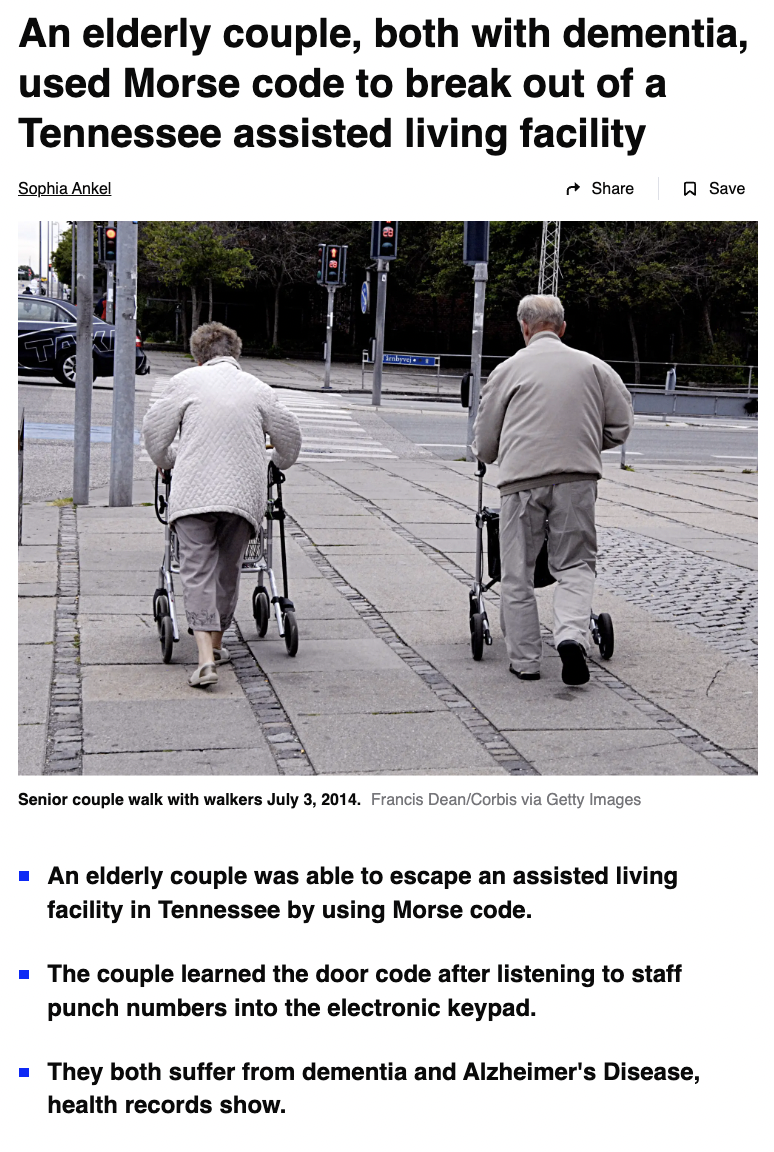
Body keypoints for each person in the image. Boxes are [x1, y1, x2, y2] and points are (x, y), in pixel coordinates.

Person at [471, 294, 633, 686]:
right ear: (562, 328)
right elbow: (621, 423)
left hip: (521, 483)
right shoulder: (594, 367)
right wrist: (584, 443)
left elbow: (486, 443)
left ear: (524, 328)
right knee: (576, 565)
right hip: (578, 479)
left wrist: (499, 451)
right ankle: (570, 636)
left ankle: (526, 661)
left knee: (517, 572)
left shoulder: (508, 370)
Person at [142, 322, 302, 688]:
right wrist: (273, 462)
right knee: (228, 567)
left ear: (199, 357)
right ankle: (215, 645)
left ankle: (202, 659)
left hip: (194, 493)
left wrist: (168, 459)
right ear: (236, 353)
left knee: (196, 568)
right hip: (242, 496)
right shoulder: (257, 388)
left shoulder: (185, 382)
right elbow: (290, 438)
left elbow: (154, 432)